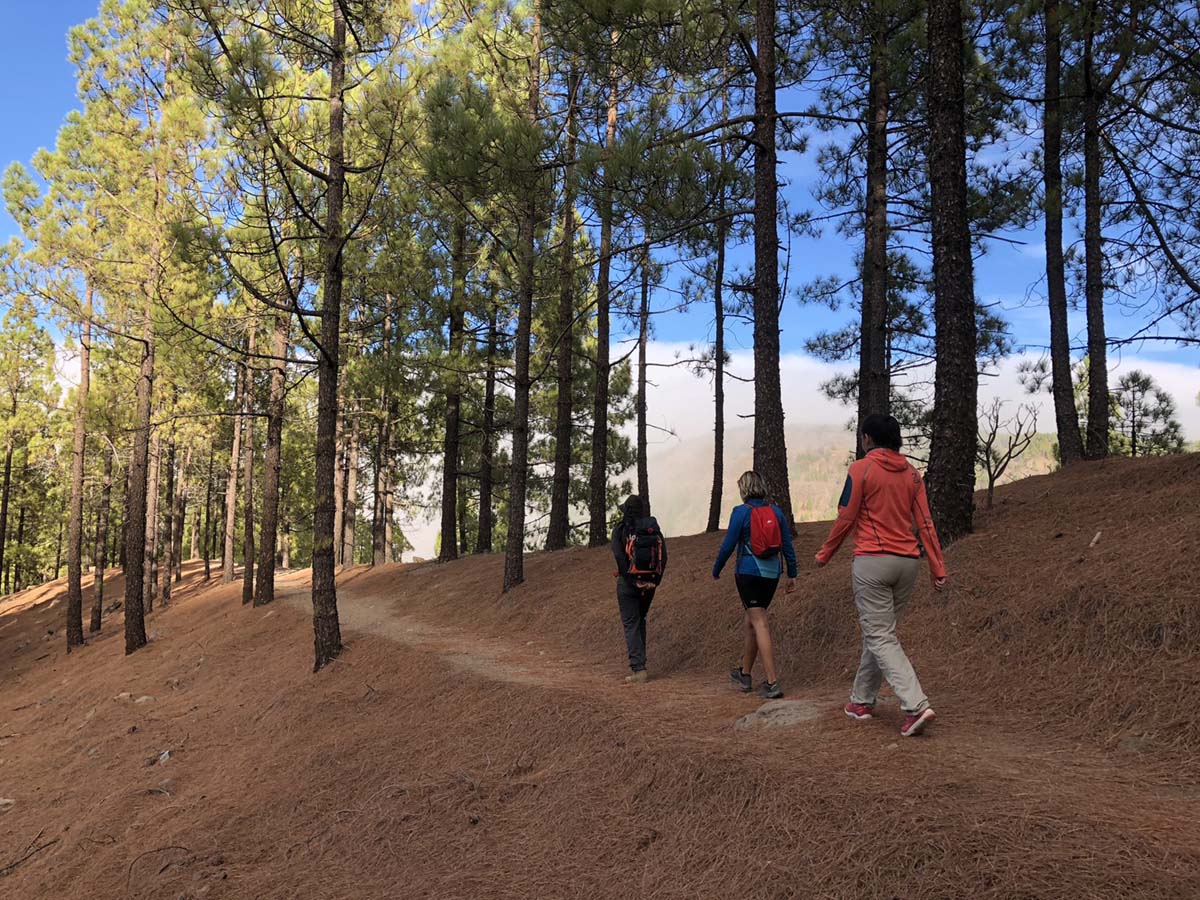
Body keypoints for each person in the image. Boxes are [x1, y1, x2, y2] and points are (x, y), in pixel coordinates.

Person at [815, 413, 947, 738]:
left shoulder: (861, 469)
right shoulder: (914, 475)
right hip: (908, 564)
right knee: (879, 633)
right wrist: (938, 568)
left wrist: (825, 553)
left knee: (880, 635)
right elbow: (926, 524)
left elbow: (846, 516)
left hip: (873, 562)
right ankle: (861, 701)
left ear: (868, 439)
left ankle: (916, 705)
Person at [712, 471, 798, 699]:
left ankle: (772, 682)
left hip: (748, 574)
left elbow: (728, 545)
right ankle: (745, 674)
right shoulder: (776, 512)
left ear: (744, 490)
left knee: (759, 621)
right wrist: (792, 574)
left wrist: (717, 569)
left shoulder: (740, 513)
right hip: (771, 576)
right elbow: (787, 546)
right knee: (751, 621)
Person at [611, 495, 667, 683]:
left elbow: (620, 559)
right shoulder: (652, 529)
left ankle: (639, 669)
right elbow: (663, 556)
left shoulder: (620, 529)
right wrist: (655, 581)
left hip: (628, 584)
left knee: (631, 623)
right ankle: (640, 663)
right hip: (649, 583)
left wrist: (632, 581)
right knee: (640, 619)